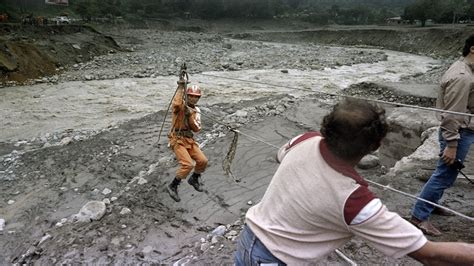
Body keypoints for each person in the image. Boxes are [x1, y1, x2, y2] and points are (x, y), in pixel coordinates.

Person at [234, 99, 474, 265]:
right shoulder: (355, 203)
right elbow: (430, 255)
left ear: (326, 129)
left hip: (249, 238)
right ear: (375, 146)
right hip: (273, 259)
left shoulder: (302, 140)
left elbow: (281, 155)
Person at [410, 34, 474, 236]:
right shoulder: (463, 77)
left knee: (445, 174)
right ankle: (419, 217)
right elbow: (452, 114)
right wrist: (452, 144)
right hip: (458, 132)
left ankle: (431, 204)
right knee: (444, 175)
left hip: (462, 130)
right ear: (473, 48)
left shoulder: (466, 69)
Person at [166, 78, 208, 202]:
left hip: (189, 139)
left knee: (203, 161)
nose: (193, 98)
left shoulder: (196, 111)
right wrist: (180, 88)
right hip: (177, 139)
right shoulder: (180, 106)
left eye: (196, 97)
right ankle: (173, 186)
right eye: (191, 96)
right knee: (187, 164)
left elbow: (196, 128)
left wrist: (190, 116)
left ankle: (194, 178)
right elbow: (177, 104)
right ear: (187, 96)